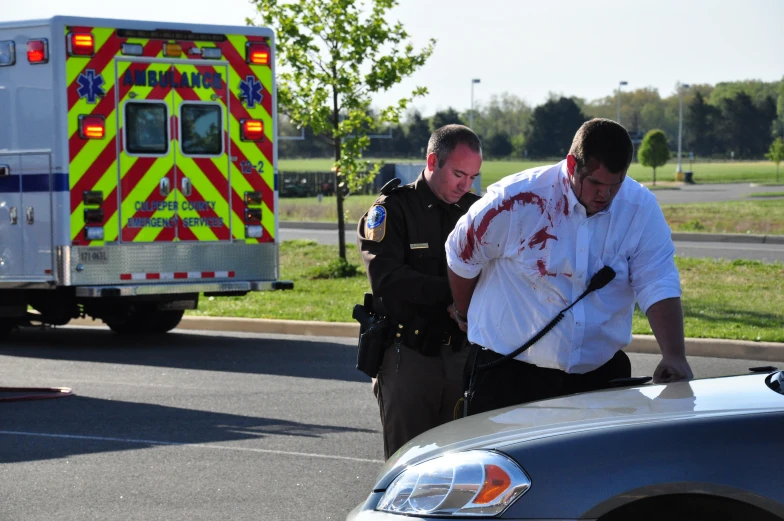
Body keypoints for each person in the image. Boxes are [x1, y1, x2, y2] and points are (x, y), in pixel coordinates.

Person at [445, 118, 693, 416]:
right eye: (596, 183)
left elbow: (658, 279)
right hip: (509, 375)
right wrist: (463, 311)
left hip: (599, 376)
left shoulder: (639, 208)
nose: (605, 195)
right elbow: (462, 254)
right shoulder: (516, 200)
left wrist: (674, 355)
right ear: (572, 165)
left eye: (616, 184)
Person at [357, 124, 482, 459]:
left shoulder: (476, 212)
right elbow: (388, 280)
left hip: (462, 358)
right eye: (458, 174)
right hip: (409, 359)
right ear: (432, 161)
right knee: (407, 464)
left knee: (460, 467)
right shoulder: (392, 210)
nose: (465, 184)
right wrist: (456, 297)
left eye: (472, 176)